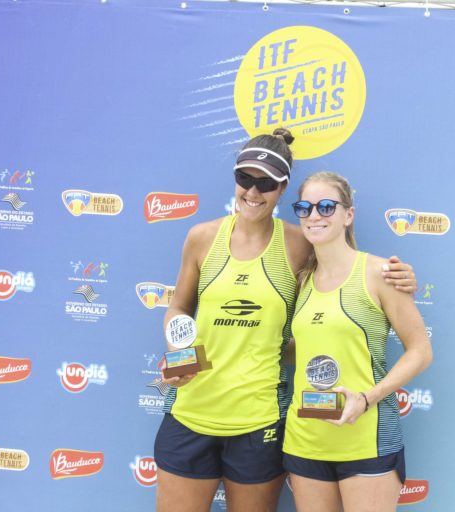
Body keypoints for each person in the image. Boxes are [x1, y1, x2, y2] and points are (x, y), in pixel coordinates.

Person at [154, 129, 419, 512]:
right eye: (245, 178)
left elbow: (344, 272)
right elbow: (177, 309)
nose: (253, 191)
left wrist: (399, 279)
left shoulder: (299, 245)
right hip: (189, 411)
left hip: (260, 419)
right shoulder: (201, 237)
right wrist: (177, 349)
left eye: (266, 183)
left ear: (281, 189)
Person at [283, 172, 433, 512]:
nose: (314, 215)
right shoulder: (301, 280)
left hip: (367, 439)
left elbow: (421, 351)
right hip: (305, 440)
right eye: (305, 208)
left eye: (326, 206)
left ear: (348, 215)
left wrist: (366, 399)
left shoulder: (381, 273)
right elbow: (302, 350)